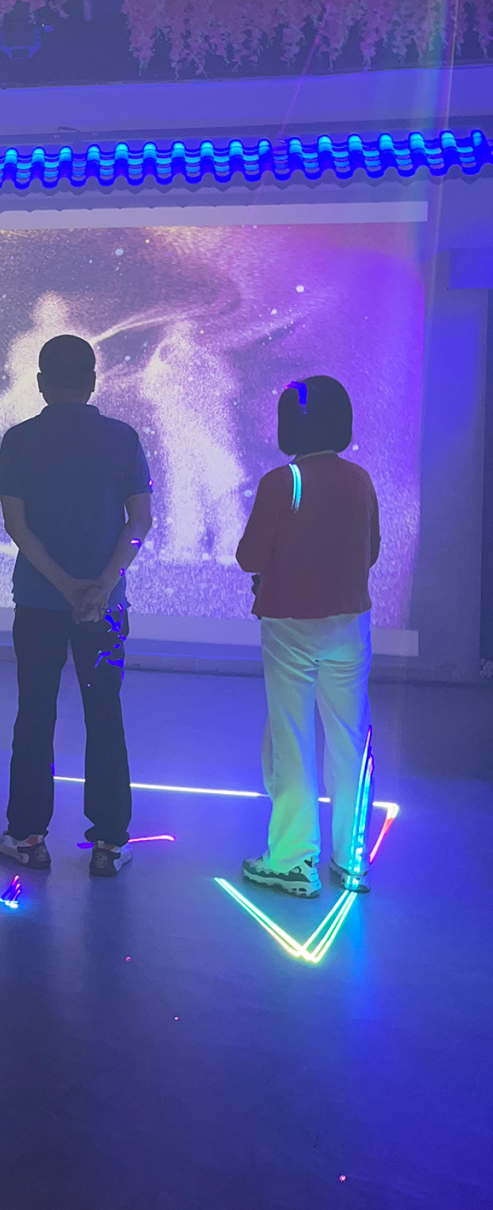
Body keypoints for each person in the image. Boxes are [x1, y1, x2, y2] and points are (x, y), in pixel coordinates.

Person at [0, 334, 153, 875]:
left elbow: (17, 526)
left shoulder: (19, 440)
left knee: (35, 714)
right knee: (104, 713)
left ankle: (27, 837)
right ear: (93, 381)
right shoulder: (122, 438)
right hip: (105, 609)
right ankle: (109, 843)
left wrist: (64, 586)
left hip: (39, 604)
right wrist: (102, 586)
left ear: (41, 383)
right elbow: (139, 521)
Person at [236, 375, 380, 898]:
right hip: (351, 624)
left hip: (290, 624)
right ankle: (352, 858)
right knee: (349, 738)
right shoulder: (360, 479)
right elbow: (372, 551)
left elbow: (249, 556)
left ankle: (293, 859)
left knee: (291, 739)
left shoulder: (284, 481)